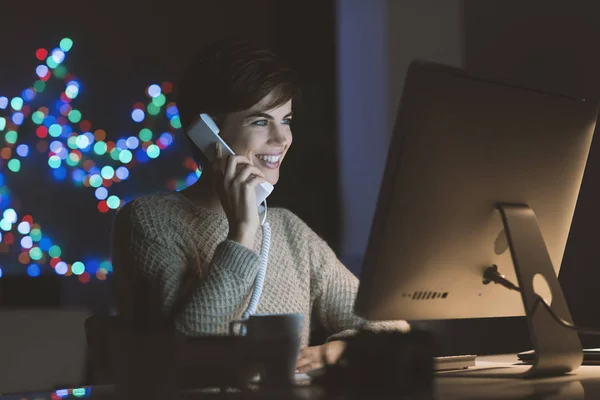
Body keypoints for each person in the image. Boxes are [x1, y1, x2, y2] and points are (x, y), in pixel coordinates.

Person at [111, 39, 407, 374]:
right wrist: (242, 233)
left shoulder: (288, 230)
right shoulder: (150, 221)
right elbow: (181, 355)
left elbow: (391, 325)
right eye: (260, 121)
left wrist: (337, 350)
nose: (282, 139)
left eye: (287, 119)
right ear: (206, 133)